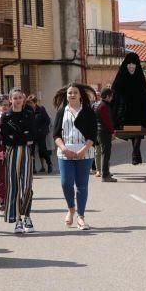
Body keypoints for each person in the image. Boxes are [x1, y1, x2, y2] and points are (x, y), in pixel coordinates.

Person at [53, 83, 98, 229]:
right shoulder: (61, 111)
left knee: (82, 185)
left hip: (84, 153)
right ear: (66, 95)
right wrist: (64, 149)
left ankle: (81, 216)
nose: (72, 95)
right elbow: (56, 135)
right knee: (66, 183)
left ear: (80, 95)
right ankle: (71, 208)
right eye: (69, 93)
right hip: (65, 153)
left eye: (75, 93)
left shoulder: (88, 111)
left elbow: (93, 134)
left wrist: (83, 151)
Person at [110, 52, 146, 166]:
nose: (131, 67)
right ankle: (136, 153)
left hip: (137, 112)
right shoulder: (121, 77)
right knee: (131, 132)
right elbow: (114, 91)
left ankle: (136, 153)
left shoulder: (140, 77)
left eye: (133, 64)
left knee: (138, 132)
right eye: (129, 64)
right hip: (124, 113)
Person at [0, 87, 36, 233]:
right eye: (14, 98)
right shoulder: (6, 116)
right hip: (12, 153)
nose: (17, 100)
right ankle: (18, 220)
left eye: (20, 97)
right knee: (13, 186)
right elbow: (5, 137)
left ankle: (27, 215)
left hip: (26, 152)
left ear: (24, 99)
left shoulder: (29, 114)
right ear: (10, 100)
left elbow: (32, 135)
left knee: (27, 186)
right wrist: (22, 137)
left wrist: (18, 137)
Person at [94, 88, 117, 182]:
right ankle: (105, 175)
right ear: (107, 96)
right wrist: (112, 131)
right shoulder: (103, 106)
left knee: (105, 153)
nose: (112, 98)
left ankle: (105, 173)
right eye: (111, 96)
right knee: (105, 153)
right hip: (103, 132)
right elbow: (107, 121)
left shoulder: (101, 104)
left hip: (100, 131)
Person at [28, 94, 53, 173]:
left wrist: (42, 129)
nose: (30, 105)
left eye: (31, 103)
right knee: (31, 151)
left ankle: (49, 164)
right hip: (31, 134)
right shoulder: (27, 111)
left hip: (41, 134)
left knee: (43, 150)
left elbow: (47, 120)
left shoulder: (41, 109)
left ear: (35, 103)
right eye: (29, 103)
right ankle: (33, 168)